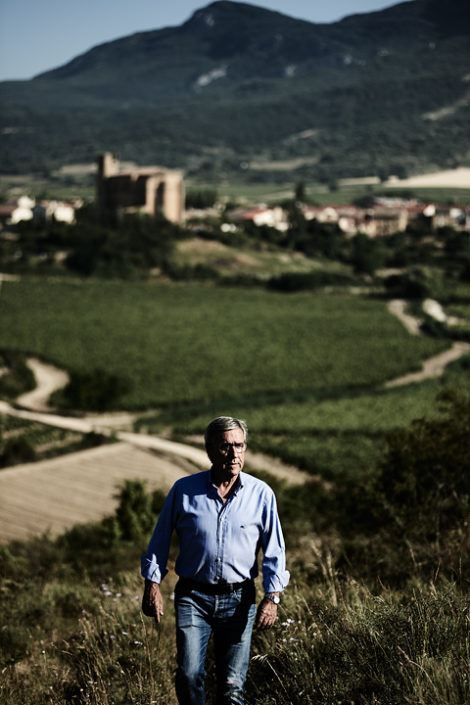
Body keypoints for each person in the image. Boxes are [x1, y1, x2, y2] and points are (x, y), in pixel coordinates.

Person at [141, 415, 289, 705]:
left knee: (232, 688)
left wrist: (272, 598)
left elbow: (275, 551)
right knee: (188, 676)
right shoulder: (184, 490)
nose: (234, 454)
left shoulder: (262, 495)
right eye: (226, 447)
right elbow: (159, 540)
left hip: (239, 599)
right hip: (193, 597)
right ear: (210, 451)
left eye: (239, 446)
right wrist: (152, 584)